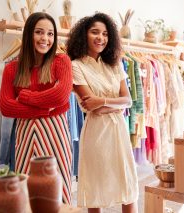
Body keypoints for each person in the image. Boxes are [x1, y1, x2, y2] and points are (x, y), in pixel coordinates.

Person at [67, 13, 138, 213]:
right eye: (95, 32)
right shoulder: (76, 66)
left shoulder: (115, 64)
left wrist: (103, 101)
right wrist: (115, 104)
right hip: (96, 132)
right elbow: (90, 105)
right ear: (84, 35)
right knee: (95, 187)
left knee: (128, 184)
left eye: (105, 34)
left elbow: (129, 101)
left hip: (119, 131)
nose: (101, 38)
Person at [0, 12, 73, 204]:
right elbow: (6, 107)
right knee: (26, 185)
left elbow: (61, 96)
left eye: (50, 34)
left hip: (55, 133)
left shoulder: (61, 61)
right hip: (25, 135)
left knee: (59, 183)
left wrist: (26, 97)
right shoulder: (12, 69)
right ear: (28, 34)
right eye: (39, 32)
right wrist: (44, 109)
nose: (45, 39)